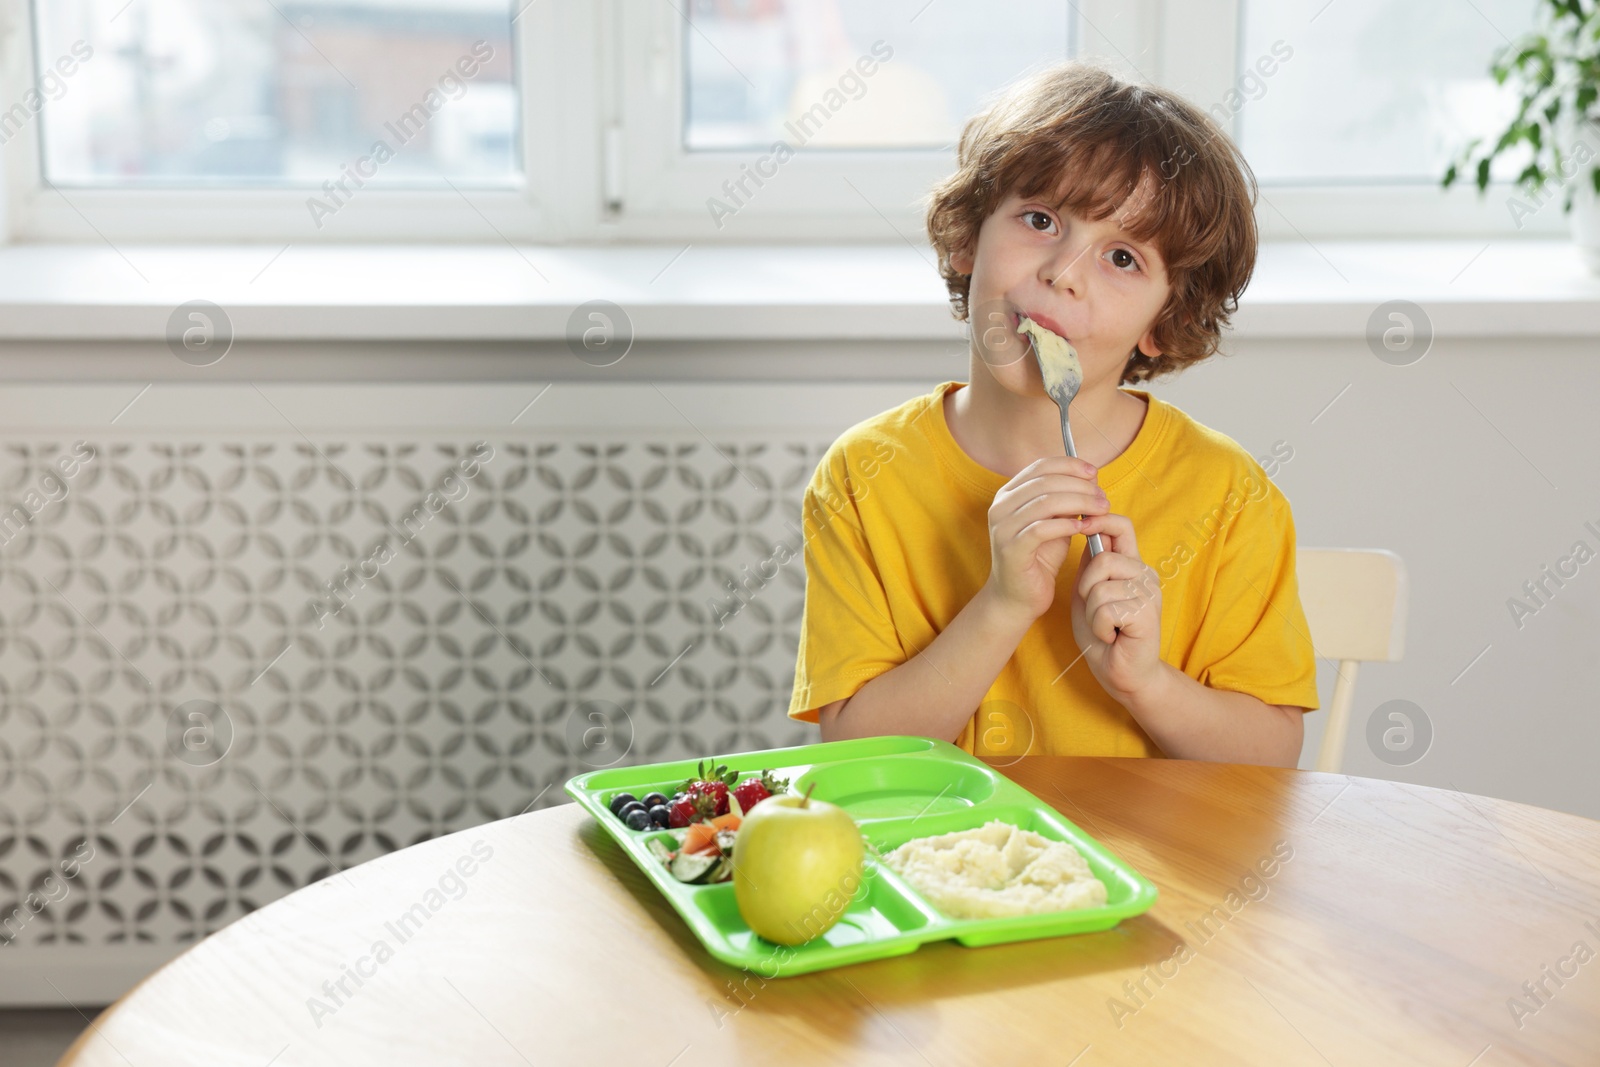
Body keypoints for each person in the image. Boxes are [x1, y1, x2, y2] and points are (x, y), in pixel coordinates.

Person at [787, 61, 1319, 767]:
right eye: (1041, 220)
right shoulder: (864, 475)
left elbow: (1271, 758)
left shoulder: (1231, 496)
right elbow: (856, 752)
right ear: (967, 238)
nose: (1063, 270)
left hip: (1155, 871)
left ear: (1165, 322)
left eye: (1122, 258)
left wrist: (1146, 683)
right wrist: (1003, 605)